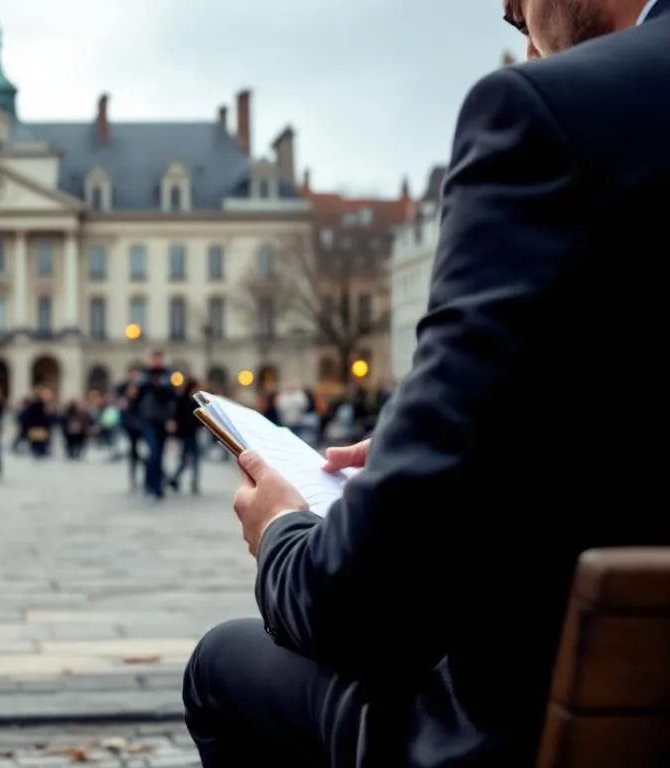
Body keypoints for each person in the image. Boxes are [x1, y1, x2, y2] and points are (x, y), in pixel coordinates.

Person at [183, 3, 670, 766]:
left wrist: (281, 534)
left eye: (518, 14)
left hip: (543, 726)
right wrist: (442, 442)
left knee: (221, 664)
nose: (522, 32)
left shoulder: (553, 112)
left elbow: (360, 607)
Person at [135, 352, 176, 500]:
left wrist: (171, 419)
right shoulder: (144, 375)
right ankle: (149, 486)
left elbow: (172, 398)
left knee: (159, 455)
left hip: (162, 421)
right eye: (154, 359)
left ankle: (157, 487)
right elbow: (137, 394)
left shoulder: (167, 375)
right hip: (148, 420)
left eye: (158, 359)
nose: (156, 362)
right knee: (153, 453)